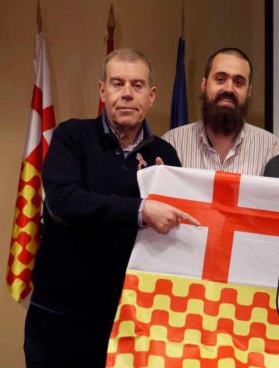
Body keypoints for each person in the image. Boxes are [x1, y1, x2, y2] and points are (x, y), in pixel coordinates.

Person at [24, 48, 198, 367]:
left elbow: (173, 231)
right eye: (117, 84)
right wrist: (141, 209)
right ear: (102, 91)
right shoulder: (72, 136)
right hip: (60, 320)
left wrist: (164, 185)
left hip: (130, 319)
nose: (127, 94)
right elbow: (64, 201)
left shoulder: (165, 156)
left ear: (152, 95)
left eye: (137, 85)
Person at [163, 47, 279, 175]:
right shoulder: (173, 143)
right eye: (220, 79)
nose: (229, 89)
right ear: (204, 85)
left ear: (249, 92)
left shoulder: (271, 149)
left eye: (238, 82)